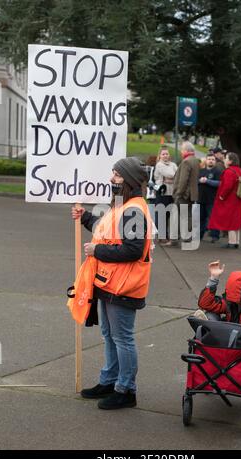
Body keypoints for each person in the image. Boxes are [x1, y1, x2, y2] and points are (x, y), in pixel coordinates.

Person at [71, 157, 151, 410]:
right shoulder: (122, 205)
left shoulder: (134, 209)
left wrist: (97, 251)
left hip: (124, 286)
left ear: (128, 180)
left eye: (116, 175)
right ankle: (110, 380)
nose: (111, 179)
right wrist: (85, 218)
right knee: (109, 335)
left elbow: (134, 250)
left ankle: (126, 390)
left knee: (122, 338)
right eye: (112, 173)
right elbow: (105, 230)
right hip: (109, 282)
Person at [208, 152, 241, 249]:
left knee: (230, 221)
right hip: (237, 199)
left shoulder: (229, 171)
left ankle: (231, 242)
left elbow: (227, 186)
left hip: (230, 200)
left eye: (226, 158)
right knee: (236, 221)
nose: (224, 160)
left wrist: (221, 196)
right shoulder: (239, 170)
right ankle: (236, 241)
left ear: (230, 161)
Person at [172, 141, 200, 244]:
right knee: (187, 215)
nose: (181, 152)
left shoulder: (186, 161)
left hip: (184, 194)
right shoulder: (195, 160)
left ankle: (175, 239)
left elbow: (183, 180)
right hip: (192, 194)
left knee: (178, 216)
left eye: (182, 150)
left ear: (187, 150)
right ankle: (187, 236)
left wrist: (178, 193)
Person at [154, 146, 177, 245]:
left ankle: (166, 235)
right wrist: (172, 179)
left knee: (168, 215)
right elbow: (171, 174)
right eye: (163, 154)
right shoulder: (159, 165)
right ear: (160, 156)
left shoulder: (173, 164)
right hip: (162, 193)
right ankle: (161, 236)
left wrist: (171, 179)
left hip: (171, 193)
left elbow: (178, 175)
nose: (165, 156)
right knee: (161, 215)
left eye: (167, 154)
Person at [198, 153, 221, 243]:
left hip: (211, 199)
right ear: (206, 160)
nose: (210, 161)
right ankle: (199, 235)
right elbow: (196, 181)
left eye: (212, 159)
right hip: (201, 198)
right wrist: (200, 181)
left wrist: (207, 181)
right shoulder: (201, 171)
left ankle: (215, 235)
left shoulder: (217, 171)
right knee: (201, 218)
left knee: (212, 217)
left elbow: (219, 183)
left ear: (215, 161)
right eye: (209, 159)